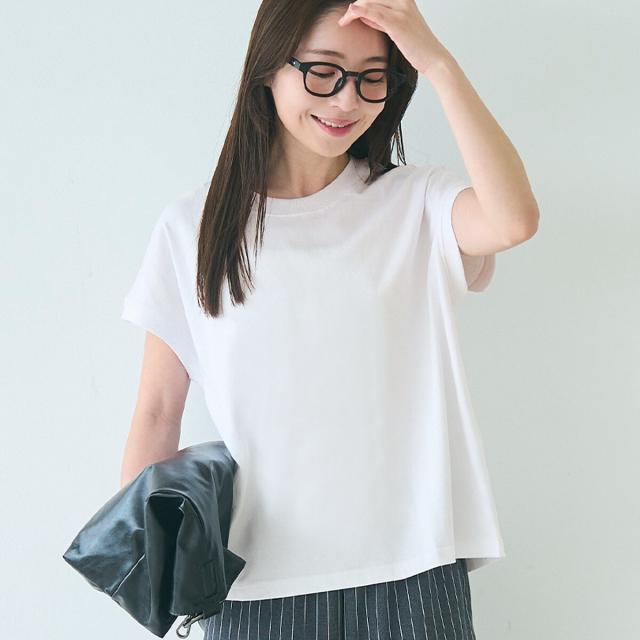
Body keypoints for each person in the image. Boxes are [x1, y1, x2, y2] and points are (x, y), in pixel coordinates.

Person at [119, 1, 539, 638]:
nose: (347, 100)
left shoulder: (417, 202)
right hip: (252, 585)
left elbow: (513, 220)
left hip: (415, 571)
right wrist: (149, 567)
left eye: (373, 77)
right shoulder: (194, 229)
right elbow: (156, 411)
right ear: (269, 69)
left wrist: (438, 64)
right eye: (323, 71)